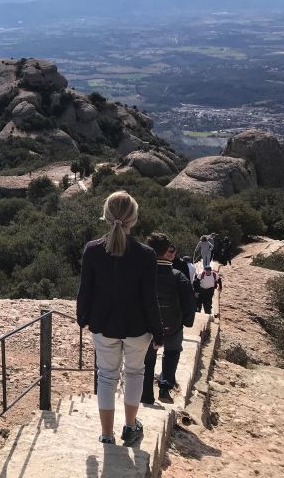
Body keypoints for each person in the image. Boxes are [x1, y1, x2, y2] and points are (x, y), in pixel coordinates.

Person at [76, 191, 163, 446]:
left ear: (106, 216)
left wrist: (83, 318)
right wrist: (158, 333)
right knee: (135, 374)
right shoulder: (146, 254)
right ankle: (130, 427)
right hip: (138, 328)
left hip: (103, 326)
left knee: (106, 377)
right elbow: (150, 298)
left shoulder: (92, 250)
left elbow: (86, 290)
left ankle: (106, 435)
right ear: (133, 219)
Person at [141, 234, 197, 405]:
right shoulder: (178, 276)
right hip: (172, 326)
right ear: (167, 252)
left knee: (147, 358)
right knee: (172, 353)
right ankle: (165, 388)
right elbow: (189, 303)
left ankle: (146, 394)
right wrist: (186, 322)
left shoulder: (143, 274)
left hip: (147, 325)